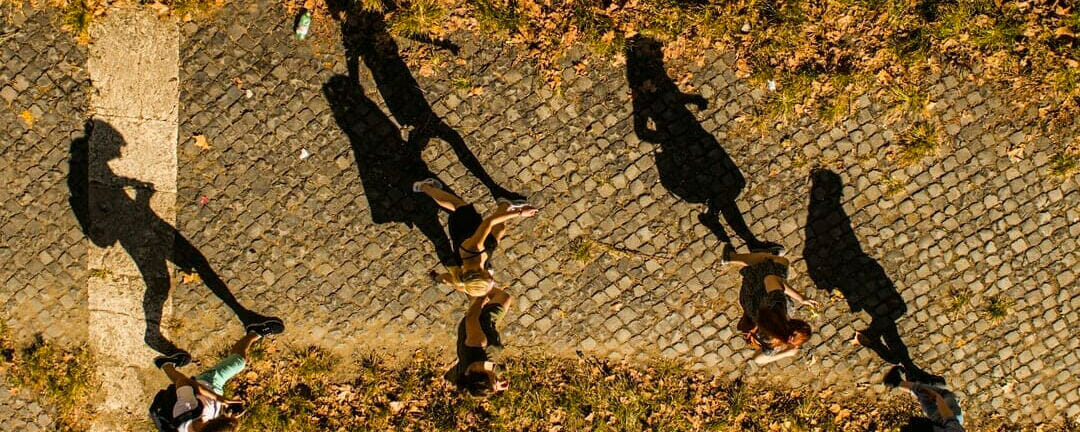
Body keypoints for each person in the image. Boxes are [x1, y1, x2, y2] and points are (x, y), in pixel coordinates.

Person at [153, 319, 284, 432]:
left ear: (210, 423)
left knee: (238, 362)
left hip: (208, 382)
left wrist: (218, 398)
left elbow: (182, 381)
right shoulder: (205, 425)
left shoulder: (186, 413)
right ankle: (165, 363)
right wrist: (226, 416)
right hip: (214, 396)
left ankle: (254, 332)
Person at [414, 178, 536, 297]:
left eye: (490, 279)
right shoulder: (464, 281)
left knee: (457, 205)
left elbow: (489, 222)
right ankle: (505, 204)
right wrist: (436, 277)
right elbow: (446, 280)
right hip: (481, 245)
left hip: (464, 226)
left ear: (480, 274)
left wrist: (520, 213)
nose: (493, 280)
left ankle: (424, 187)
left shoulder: (475, 248)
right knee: (499, 230)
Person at [726, 245, 818, 364]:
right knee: (775, 266)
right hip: (747, 301)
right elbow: (757, 359)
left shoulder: (780, 306)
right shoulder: (773, 342)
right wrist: (787, 353)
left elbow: (770, 279)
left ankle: (731, 257)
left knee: (781, 261)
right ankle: (762, 255)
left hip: (755, 286)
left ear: (794, 322)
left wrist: (801, 298)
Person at [451, 287, 512, 397]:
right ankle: (473, 291)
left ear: (484, 374)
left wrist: (481, 300)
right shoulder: (471, 372)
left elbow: (471, 318)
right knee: (475, 300)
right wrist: (496, 386)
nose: (498, 379)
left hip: (484, 320)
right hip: (484, 331)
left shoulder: (478, 344)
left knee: (504, 298)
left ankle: (475, 284)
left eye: (495, 380)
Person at [884, 366, 965, 431]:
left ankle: (896, 381)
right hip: (934, 421)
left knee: (942, 394)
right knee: (929, 406)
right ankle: (918, 384)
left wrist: (936, 396)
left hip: (945, 420)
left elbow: (949, 418)